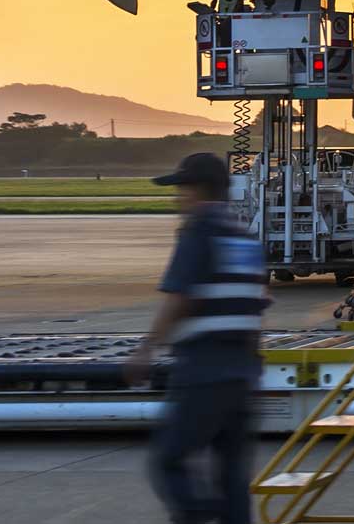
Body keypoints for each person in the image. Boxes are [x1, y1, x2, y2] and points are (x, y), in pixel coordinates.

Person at [126, 152, 268, 524]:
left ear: (198, 189)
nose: (178, 198)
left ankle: (202, 516)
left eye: (181, 188)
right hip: (243, 373)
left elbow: (180, 297)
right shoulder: (244, 236)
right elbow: (259, 301)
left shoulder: (199, 229)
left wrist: (146, 350)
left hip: (204, 370)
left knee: (169, 462)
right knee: (232, 478)